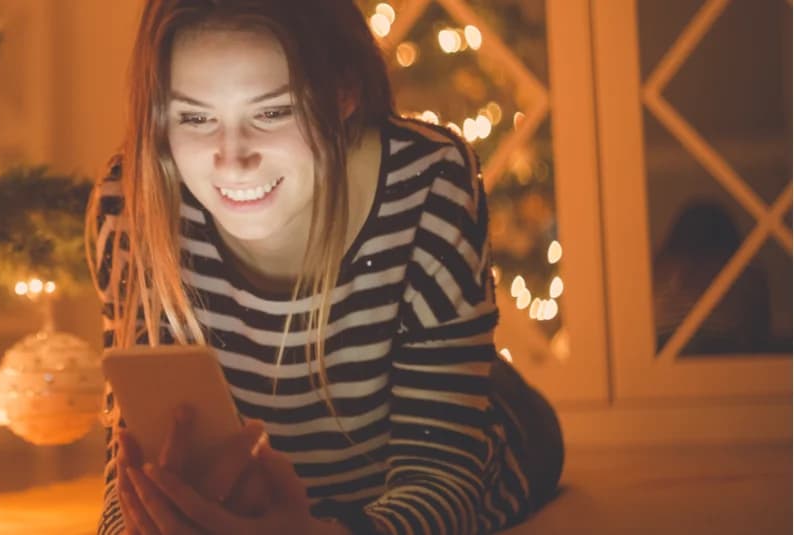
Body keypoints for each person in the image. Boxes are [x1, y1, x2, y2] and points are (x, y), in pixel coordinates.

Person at [86, 1, 563, 533]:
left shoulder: (429, 180)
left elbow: (443, 477)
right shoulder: (132, 199)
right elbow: (128, 474)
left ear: (343, 92)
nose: (233, 158)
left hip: (492, 439)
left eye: (273, 112)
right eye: (196, 118)